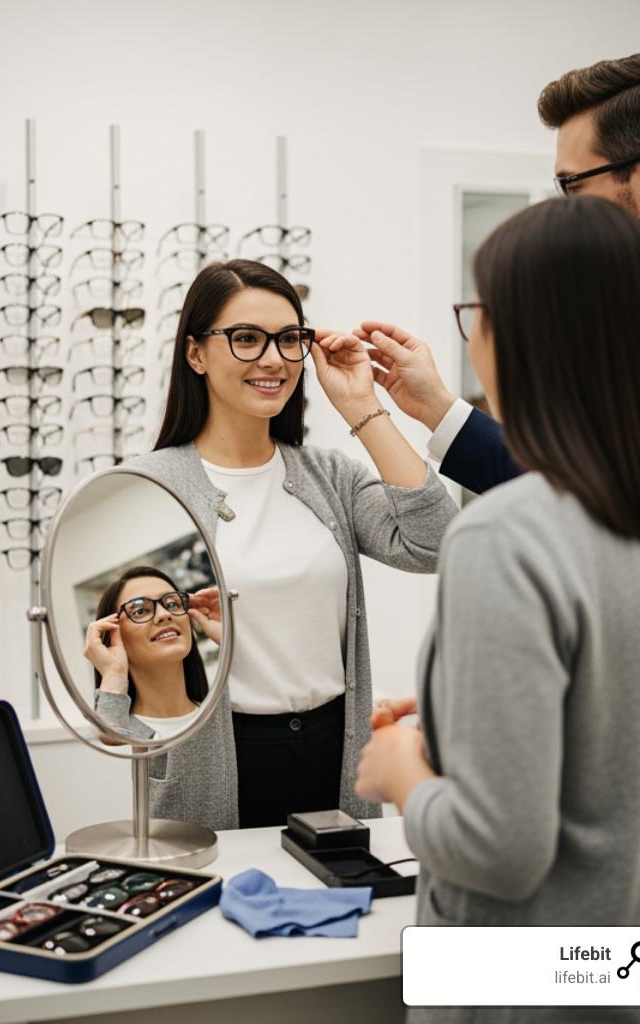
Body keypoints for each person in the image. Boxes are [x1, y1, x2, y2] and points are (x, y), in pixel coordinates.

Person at [354, 196, 640, 1023]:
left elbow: (501, 852)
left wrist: (405, 775)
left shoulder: (505, 537)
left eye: (476, 313)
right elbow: (624, 746)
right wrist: (460, 727)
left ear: (519, 334)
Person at [124, 259, 456, 829]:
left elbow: (437, 543)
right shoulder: (150, 488)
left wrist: (360, 406)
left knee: (342, 913)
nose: (273, 359)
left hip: (335, 750)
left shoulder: (329, 476)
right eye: (246, 339)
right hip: (218, 758)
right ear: (195, 353)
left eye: (289, 339)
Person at [358, 53, 640, 496]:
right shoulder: (625, 330)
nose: (563, 209)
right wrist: (436, 408)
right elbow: (577, 497)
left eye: (572, 184)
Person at [86, 565, 215, 743]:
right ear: (114, 636)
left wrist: (227, 636)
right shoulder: (124, 733)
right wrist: (113, 672)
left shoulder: (221, 716)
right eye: (140, 610)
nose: (164, 614)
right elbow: (112, 738)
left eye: (172, 604)